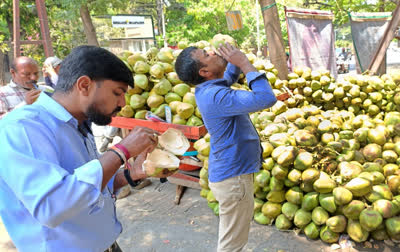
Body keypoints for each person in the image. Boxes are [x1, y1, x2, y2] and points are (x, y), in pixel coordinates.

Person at [0, 45, 172, 252]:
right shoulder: (23, 127)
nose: (122, 102)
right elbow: (52, 206)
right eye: (117, 92)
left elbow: (84, 187)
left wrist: (130, 175)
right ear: (84, 85)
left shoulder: (77, 123)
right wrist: (121, 152)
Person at [175, 44, 277, 252]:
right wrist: (245, 64)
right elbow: (266, 98)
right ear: (204, 72)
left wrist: (233, 62)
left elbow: (227, 79)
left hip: (230, 175)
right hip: (233, 180)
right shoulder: (216, 96)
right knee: (231, 246)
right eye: (206, 55)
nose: (212, 52)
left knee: (234, 239)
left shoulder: (208, 88)